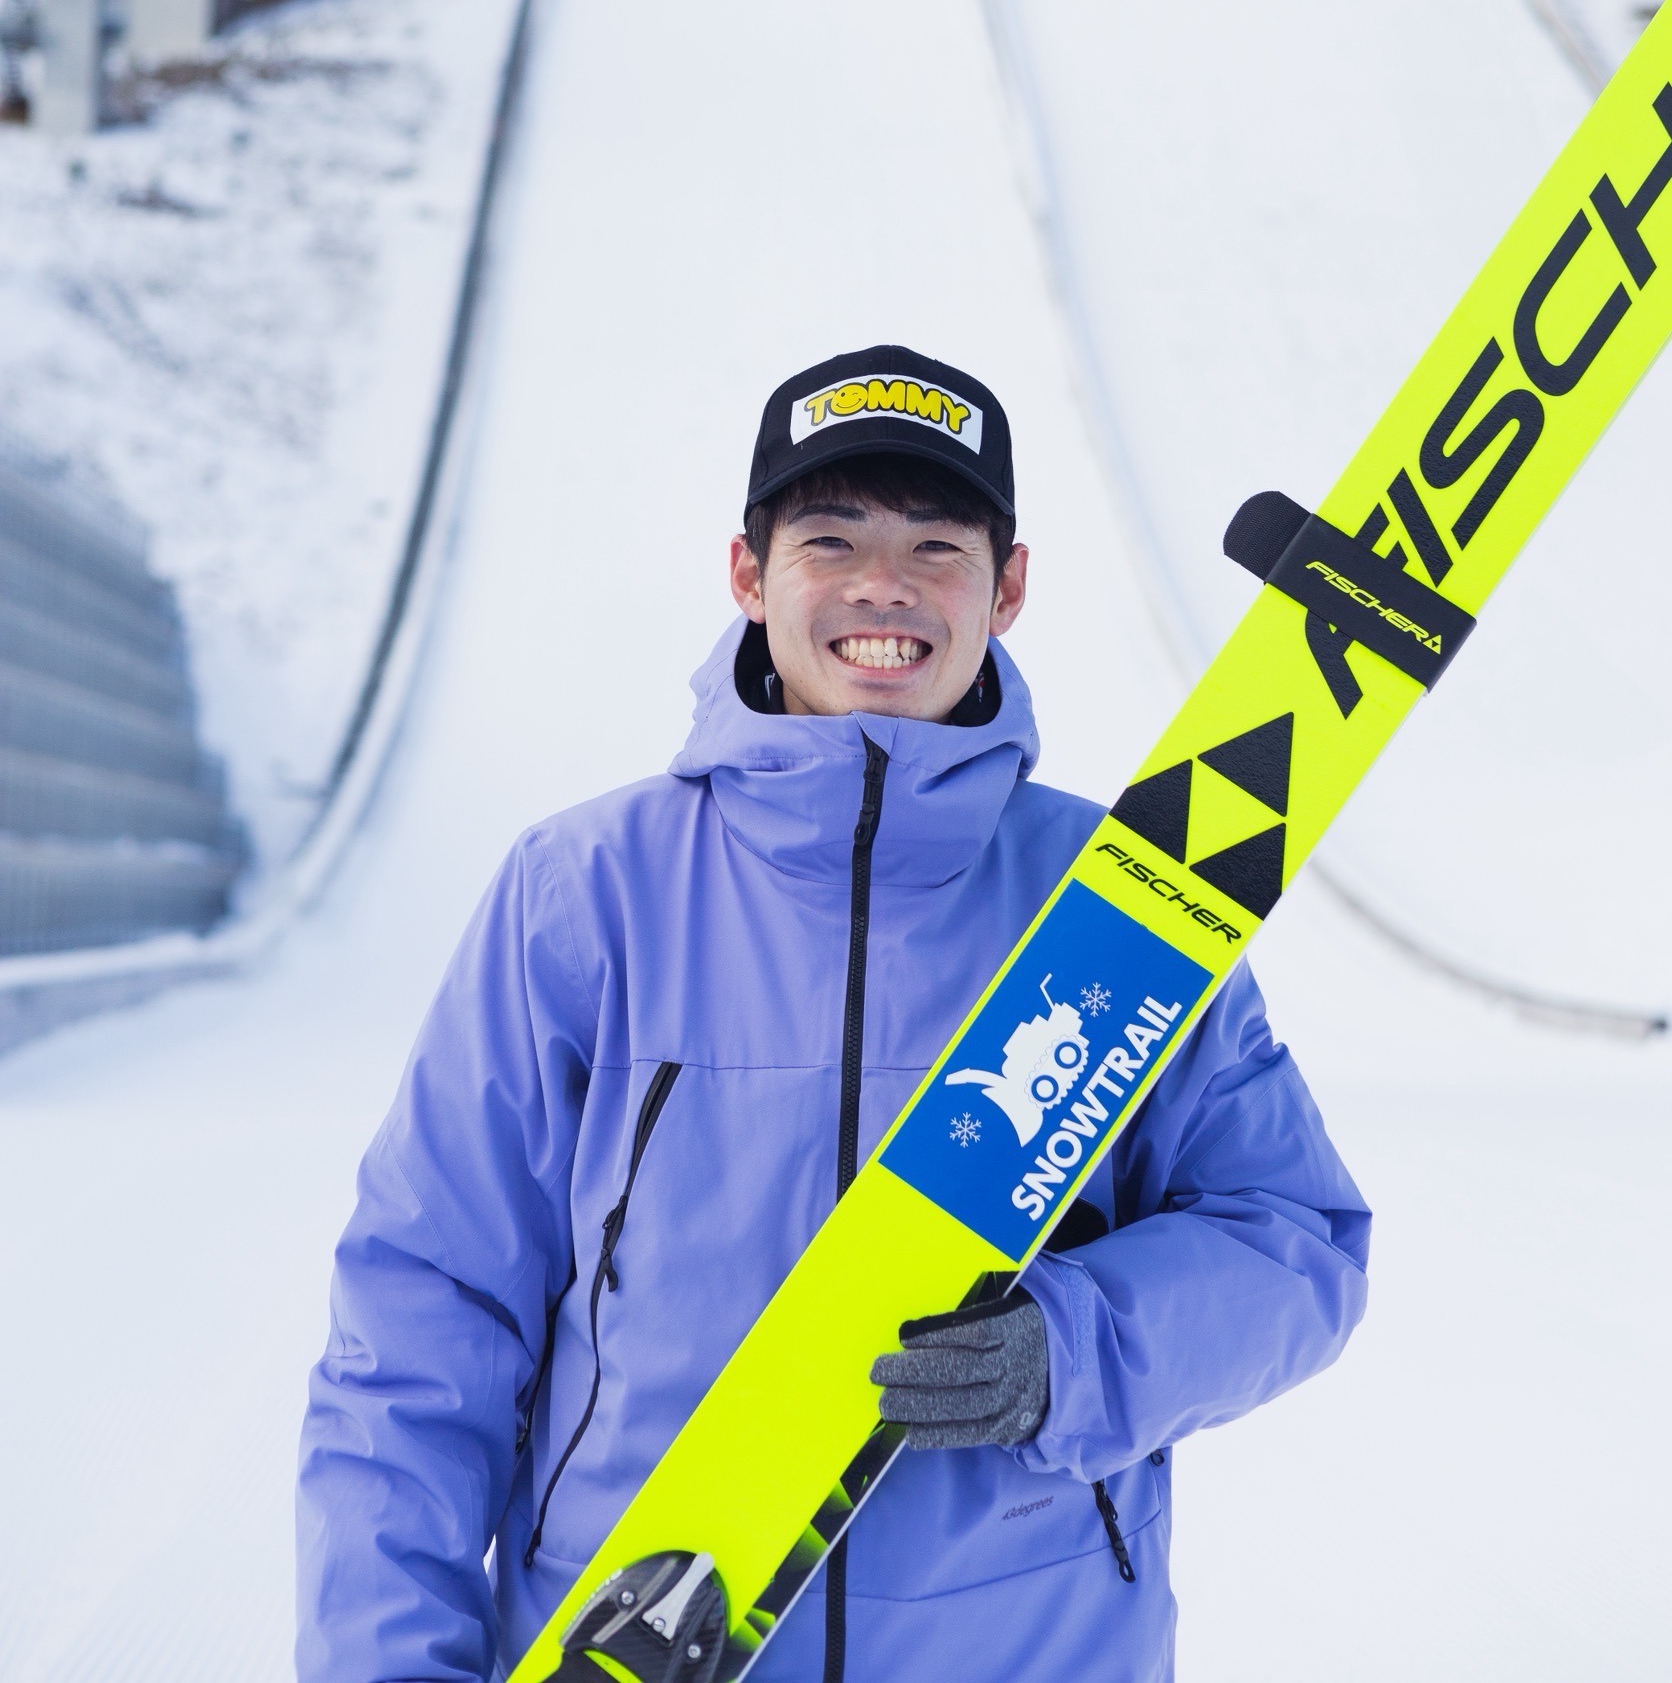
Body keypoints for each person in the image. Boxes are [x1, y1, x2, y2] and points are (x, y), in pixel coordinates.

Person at [297, 344, 1370, 1683]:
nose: (885, 586)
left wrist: (1072, 1351)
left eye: (937, 543)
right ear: (749, 576)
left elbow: (1298, 1243)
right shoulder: (586, 896)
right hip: (634, 1638)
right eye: (831, 537)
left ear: (1009, 586)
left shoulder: (1121, 915)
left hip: (1033, 1648)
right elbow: (420, 1327)